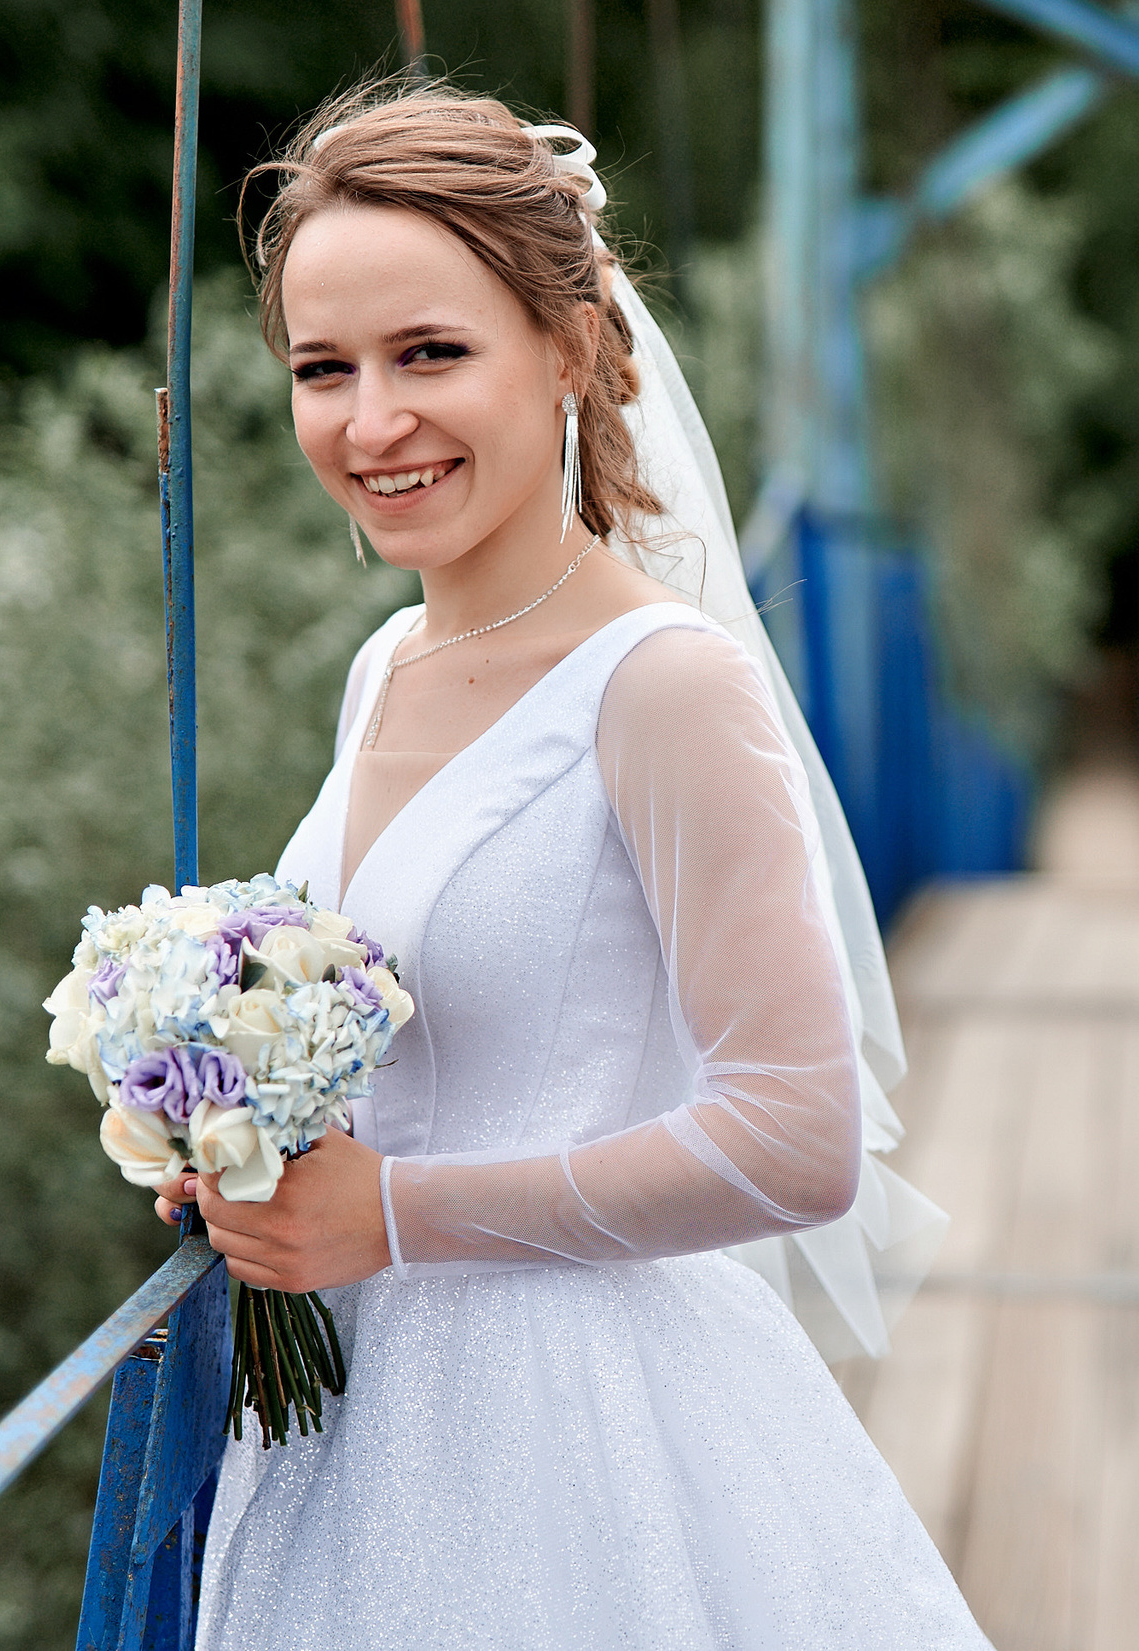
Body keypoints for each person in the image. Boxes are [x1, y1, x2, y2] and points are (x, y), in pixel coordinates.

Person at [146, 81, 987, 1648]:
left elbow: (800, 1141)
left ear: (576, 352)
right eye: (322, 370)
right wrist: (226, 1140)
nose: (370, 422)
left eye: (431, 354)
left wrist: (387, 1215)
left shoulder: (661, 685)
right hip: (356, 1424)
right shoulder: (385, 663)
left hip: (576, 1436)